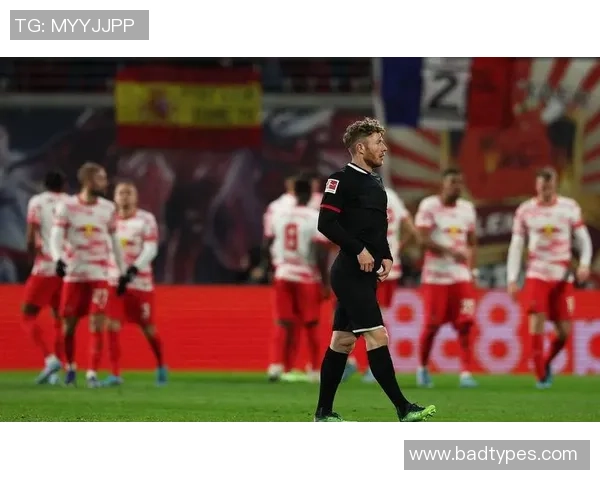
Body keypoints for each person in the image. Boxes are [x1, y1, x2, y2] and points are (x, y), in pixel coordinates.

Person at [314, 117, 436, 422]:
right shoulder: (340, 180)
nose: (384, 147)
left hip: (366, 274)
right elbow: (325, 223)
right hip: (349, 273)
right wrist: (359, 250)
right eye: (378, 142)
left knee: (342, 342)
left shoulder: (377, 184)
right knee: (377, 336)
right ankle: (403, 408)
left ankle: (323, 413)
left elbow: (377, 228)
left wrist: (387, 255)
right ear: (360, 148)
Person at [506, 167, 592, 388]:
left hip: (562, 277)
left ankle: (544, 363)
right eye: (542, 185)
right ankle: (540, 376)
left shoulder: (569, 207)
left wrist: (584, 263)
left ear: (555, 184)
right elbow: (517, 245)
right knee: (537, 322)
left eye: (549, 185)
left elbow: (584, 239)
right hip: (537, 273)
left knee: (564, 332)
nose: (546, 189)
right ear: (537, 186)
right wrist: (512, 278)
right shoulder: (525, 210)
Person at [50, 162, 125, 387]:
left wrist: (121, 272)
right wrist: (57, 258)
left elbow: (115, 241)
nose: (106, 182)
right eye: (101, 178)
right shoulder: (67, 206)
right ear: (89, 181)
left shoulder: (108, 208)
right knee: (68, 327)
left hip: (99, 275)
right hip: (74, 275)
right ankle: (71, 368)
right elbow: (56, 235)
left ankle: (92, 373)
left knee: (97, 324)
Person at [415, 168, 478, 388]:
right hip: (435, 277)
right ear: (443, 184)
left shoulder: (467, 209)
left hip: (461, 276)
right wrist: (450, 252)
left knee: (466, 324)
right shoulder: (429, 206)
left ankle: (466, 373)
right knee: (432, 325)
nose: (457, 187)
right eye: (453, 182)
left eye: (460, 182)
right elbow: (422, 239)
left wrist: (473, 271)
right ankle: (423, 368)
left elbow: (472, 243)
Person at [265, 175, 331, 382]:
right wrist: (325, 281)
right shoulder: (313, 217)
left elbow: (269, 242)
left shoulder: (280, 215)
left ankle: (276, 366)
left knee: (282, 321)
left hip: (283, 273)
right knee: (311, 323)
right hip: (306, 276)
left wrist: (272, 268)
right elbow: (320, 251)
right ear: (310, 194)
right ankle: (315, 370)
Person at [103, 181, 166, 386]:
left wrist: (133, 270)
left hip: (140, 283)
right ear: (114, 197)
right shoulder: (108, 219)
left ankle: (161, 365)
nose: (125, 196)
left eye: (129, 193)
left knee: (148, 329)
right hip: (114, 281)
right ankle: (115, 373)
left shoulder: (146, 219)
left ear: (136, 197)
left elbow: (151, 249)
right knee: (111, 325)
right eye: (121, 193)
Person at [358, 186, 416, 383]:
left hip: (366, 267)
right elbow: (411, 230)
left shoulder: (359, 195)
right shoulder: (392, 196)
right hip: (389, 268)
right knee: (377, 317)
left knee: (364, 316)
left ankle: (371, 366)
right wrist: (396, 249)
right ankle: (368, 365)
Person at [21, 170, 69, 385]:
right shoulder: (70, 203)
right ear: (64, 185)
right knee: (59, 318)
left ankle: (50, 360)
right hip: (67, 267)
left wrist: (31, 258)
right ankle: (57, 372)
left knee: (27, 314)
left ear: (44, 184)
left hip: (46, 266)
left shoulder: (37, 201)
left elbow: (31, 235)